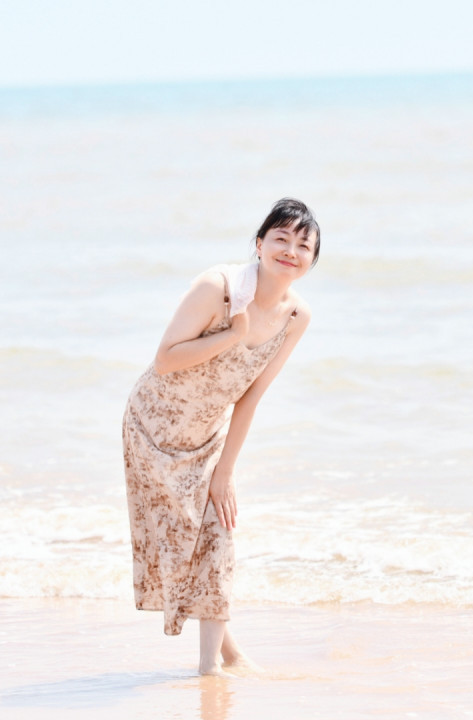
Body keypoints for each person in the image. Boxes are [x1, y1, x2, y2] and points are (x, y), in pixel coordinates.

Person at [122, 198, 320, 676]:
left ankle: (212, 664)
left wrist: (225, 471)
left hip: (208, 439)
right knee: (187, 545)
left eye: (303, 245)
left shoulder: (297, 316)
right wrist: (232, 334)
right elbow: (166, 358)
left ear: (312, 260)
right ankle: (221, 662)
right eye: (281, 238)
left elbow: (250, 397)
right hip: (152, 430)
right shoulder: (219, 289)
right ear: (259, 243)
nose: (291, 251)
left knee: (216, 537)